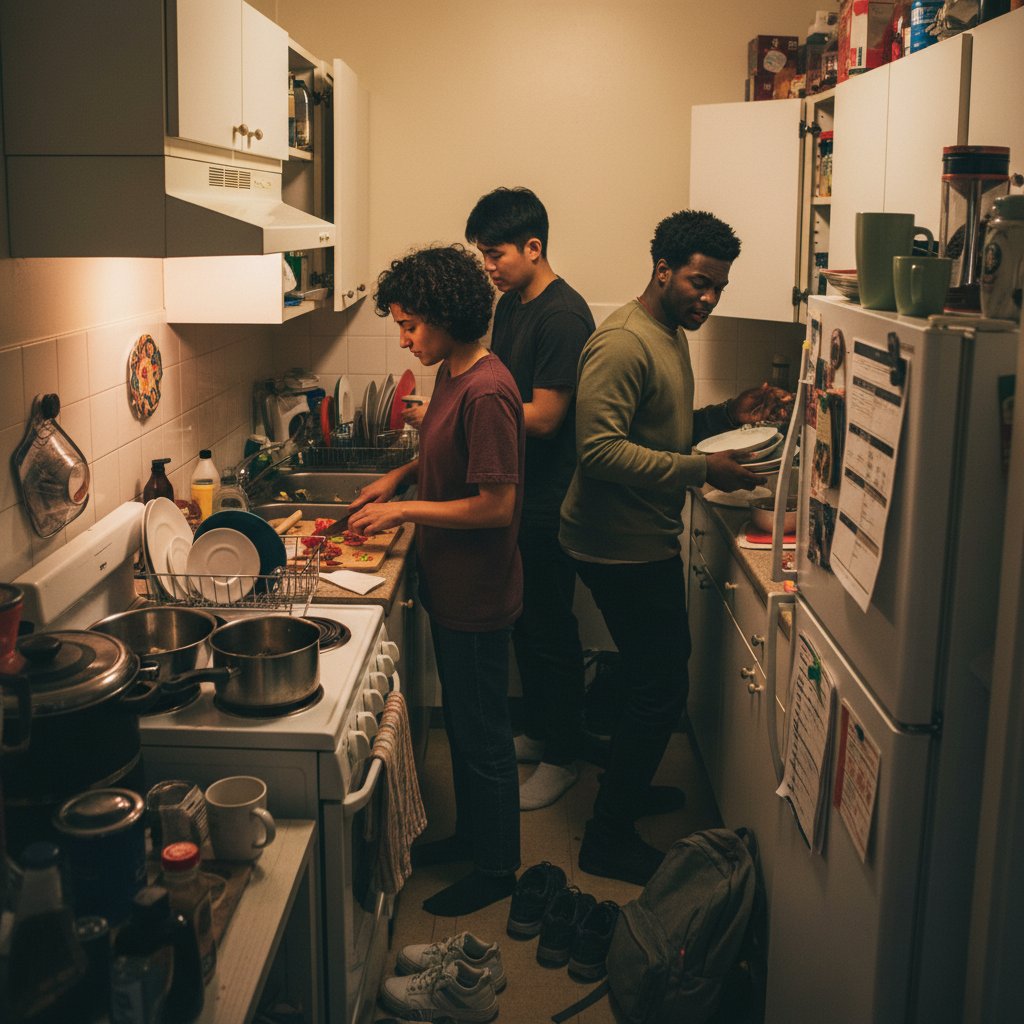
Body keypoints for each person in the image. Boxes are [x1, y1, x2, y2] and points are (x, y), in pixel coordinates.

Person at [559, 209, 792, 886]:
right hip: (616, 544)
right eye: (698, 282)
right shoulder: (623, 343)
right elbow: (599, 451)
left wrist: (727, 416)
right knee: (663, 687)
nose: (709, 298)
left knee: (647, 678)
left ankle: (626, 790)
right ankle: (607, 837)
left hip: (638, 535)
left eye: (718, 286)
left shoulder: (669, 332)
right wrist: (701, 469)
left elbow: (657, 430)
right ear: (662, 269)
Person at [347, 244, 525, 916]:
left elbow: (496, 503)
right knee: (465, 723)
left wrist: (402, 509)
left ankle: (498, 869)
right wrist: (397, 476)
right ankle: (475, 839)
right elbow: (440, 455)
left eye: (410, 324)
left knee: (483, 738)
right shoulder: (453, 372)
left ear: (447, 317)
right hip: (452, 584)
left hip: (478, 592)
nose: (403, 338)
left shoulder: (488, 390)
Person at [465, 186, 595, 811]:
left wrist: (473, 410)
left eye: (495, 255)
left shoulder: (563, 316)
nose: (487, 267)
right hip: (521, 491)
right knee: (527, 621)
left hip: (552, 499)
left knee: (549, 628)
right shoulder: (512, 303)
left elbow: (544, 416)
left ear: (533, 247)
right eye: (484, 255)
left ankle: (563, 758)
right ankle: (542, 732)